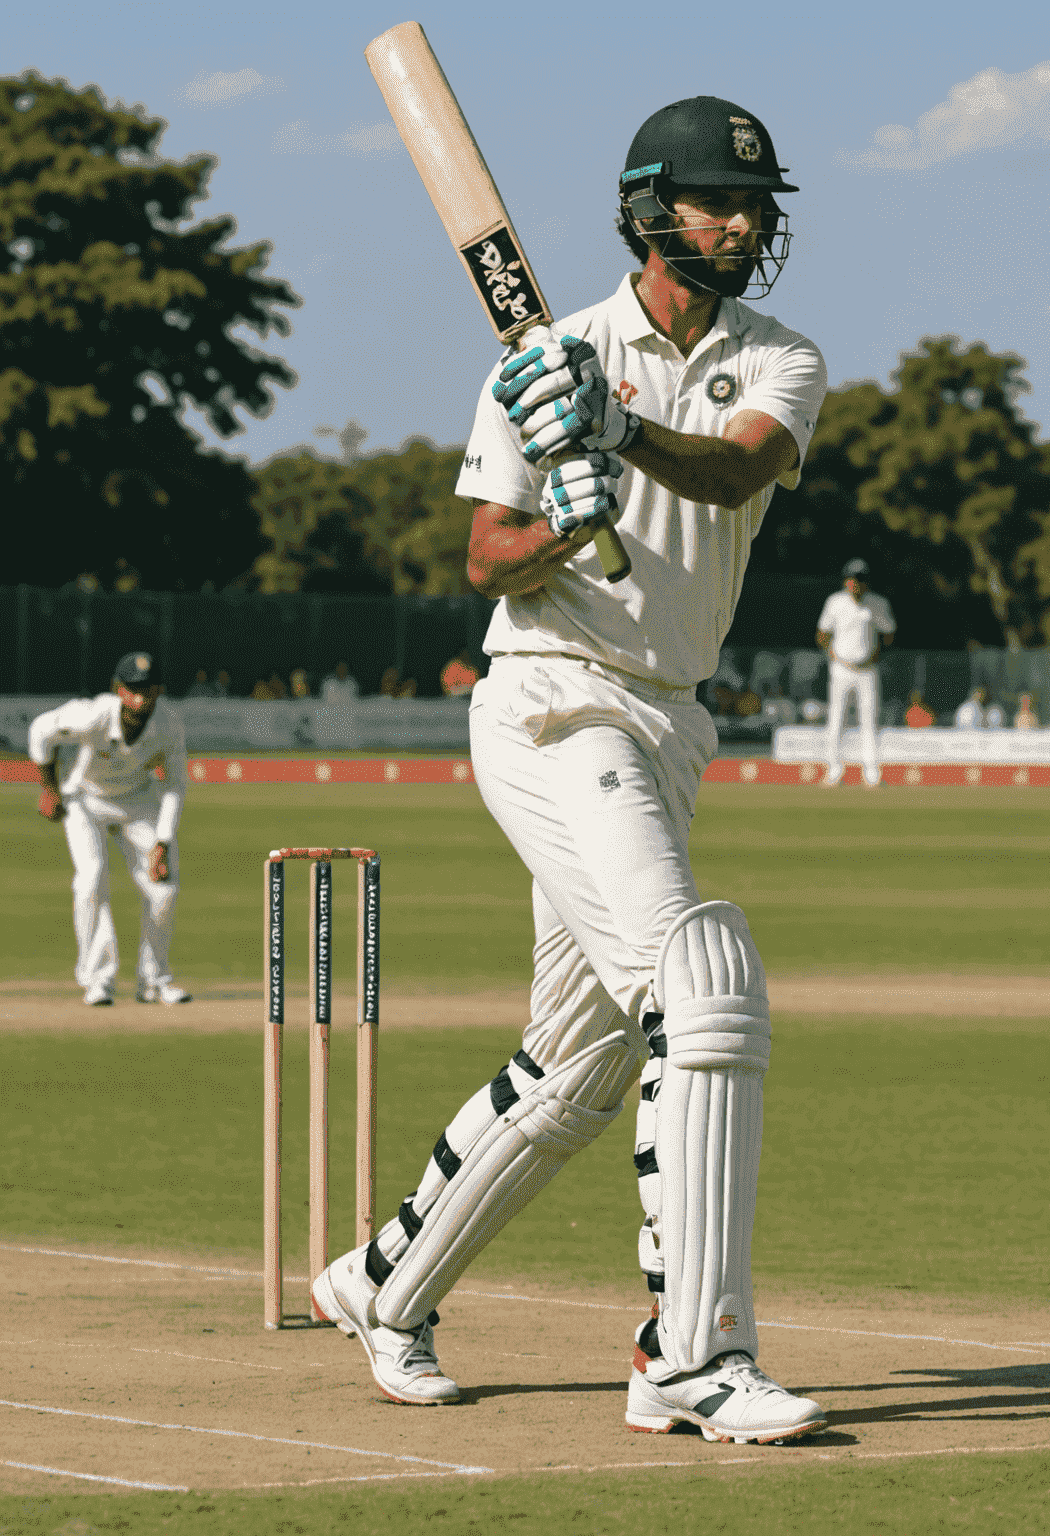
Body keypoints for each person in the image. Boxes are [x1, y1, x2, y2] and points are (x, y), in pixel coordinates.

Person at [310, 94, 829, 1445]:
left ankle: (383, 1283)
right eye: (719, 201)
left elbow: (731, 475)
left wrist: (619, 438)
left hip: (668, 722)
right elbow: (487, 558)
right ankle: (692, 1358)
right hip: (550, 706)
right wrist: (559, 525)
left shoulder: (783, 358)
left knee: (581, 1063)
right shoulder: (548, 356)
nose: (744, 222)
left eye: (757, 206)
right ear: (653, 210)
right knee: (700, 984)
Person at [26, 652, 192, 1007]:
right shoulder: (94, 713)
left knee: (164, 890)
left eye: (147, 690)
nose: (140, 698)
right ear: (118, 689)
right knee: (91, 878)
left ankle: (154, 980)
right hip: (85, 798)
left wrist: (163, 841)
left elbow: (176, 784)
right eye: (132, 689)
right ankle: (98, 980)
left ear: (159, 691)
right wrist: (50, 789)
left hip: (138, 800)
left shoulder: (169, 725)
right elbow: (41, 730)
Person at [815, 558, 895, 787]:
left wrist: (876, 654)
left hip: (867, 670)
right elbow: (822, 633)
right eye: (852, 579)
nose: (856, 584)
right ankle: (834, 770)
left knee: (869, 721)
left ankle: (870, 772)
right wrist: (831, 654)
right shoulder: (835, 602)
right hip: (841, 669)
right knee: (836, 719)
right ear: (846, 581)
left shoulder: (877, 604)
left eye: (860, 580)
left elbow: (888, 632)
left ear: (866, 582)